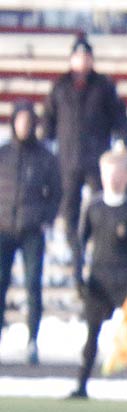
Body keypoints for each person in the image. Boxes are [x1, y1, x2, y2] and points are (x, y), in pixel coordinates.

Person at [69, 147, 127, 401]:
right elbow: (80, 244)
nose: (113, 179)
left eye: (118, 174)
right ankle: (81, 384)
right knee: (92, 332)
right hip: (99, 278)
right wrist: (78, 276)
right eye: (108, 174)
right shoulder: (93, 205)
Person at [43, 34, 127, 259]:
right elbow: (48, 119)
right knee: (69, 207)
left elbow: (119, 116)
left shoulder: (104, 86)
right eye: (78, 56)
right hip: (68, 160)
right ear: (71, 59)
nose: (82, 61)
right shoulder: (60, 87)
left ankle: (101, 244)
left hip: (96, 160)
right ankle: (76, 249)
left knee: (101, 203)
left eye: (86, 57)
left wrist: (121, 140)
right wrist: (47, 142)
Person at [0, 103, 61, 365]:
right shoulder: (3, 154)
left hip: (31, 230)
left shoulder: (45, 157)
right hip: (3, 229)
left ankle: (32, 339)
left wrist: (45, 218)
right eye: (20, 120)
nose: (23, 125)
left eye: (28, 121)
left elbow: (56, 193)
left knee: (32, 285)